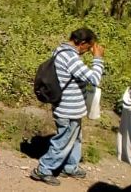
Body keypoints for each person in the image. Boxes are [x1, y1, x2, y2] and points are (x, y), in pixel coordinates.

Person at [31, 28, 105, 186]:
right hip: (67, 108)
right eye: (88, 47)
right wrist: (98, 58)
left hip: (71, 106)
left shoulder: (61, 49)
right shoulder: (70, 56)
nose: (88, 51)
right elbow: (94, 78)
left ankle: (70, 166)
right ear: (82, 43)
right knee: (63, 140)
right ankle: (43, 170)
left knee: (75, 138)